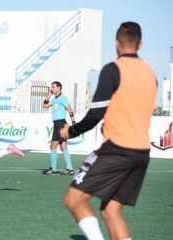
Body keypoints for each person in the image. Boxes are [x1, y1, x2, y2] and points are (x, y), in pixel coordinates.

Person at [60, 22, 157, 240]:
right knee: (111, 211)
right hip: (141, 152)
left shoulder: (113, 69)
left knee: (74, 200)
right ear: (140, 44)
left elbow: (95, 114)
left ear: (116, 43)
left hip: (117, 149)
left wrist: (70, 132)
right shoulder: (150, 73)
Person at [42, 81, 75, 175]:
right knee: (63, 146)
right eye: (51, 87)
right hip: (58, 124)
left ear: (59, 88)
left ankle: (53, 168)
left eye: (53, 87)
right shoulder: (55, 98)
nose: (52, 88)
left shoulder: (63, 98)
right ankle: (70, 168)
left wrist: (74, 123)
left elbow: (70, 110)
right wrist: (48, 96)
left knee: (53, 146)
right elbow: (44, 106)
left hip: (60, 124)